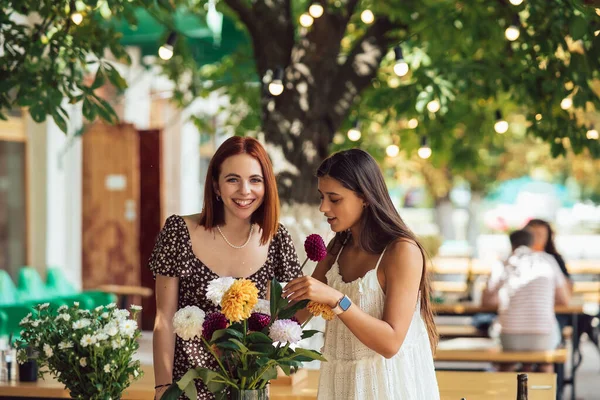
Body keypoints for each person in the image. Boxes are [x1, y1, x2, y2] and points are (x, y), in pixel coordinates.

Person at [149, 136, 302, 400]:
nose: (245, 190)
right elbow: (164, 318)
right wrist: (163, 389)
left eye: (255, 180)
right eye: (233, 179)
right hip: (188, 389)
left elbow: (294, 313)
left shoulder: (276, 238)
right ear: (216, 186)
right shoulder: (180, 231)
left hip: (249, 391)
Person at [283, 149, 440, 399]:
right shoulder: (336, 247)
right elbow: (293, 318)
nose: (323, 207)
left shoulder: (402, 251)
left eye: (334, 199)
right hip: (341, 385)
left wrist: (336, 300)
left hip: (388, 388)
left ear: (365, 197)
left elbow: (390, 343)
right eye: (321, 196)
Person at [481, 229, 570, 372]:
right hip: (543, 336)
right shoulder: (548, 260)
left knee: (506, 360)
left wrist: (510, 301)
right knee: (545, 362)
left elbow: (485, 301)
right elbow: (564, 299)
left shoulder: (503, 263)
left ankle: (503, 389)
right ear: (533, 243)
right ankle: (546, 389)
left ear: (511, 245)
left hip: (510, 337)